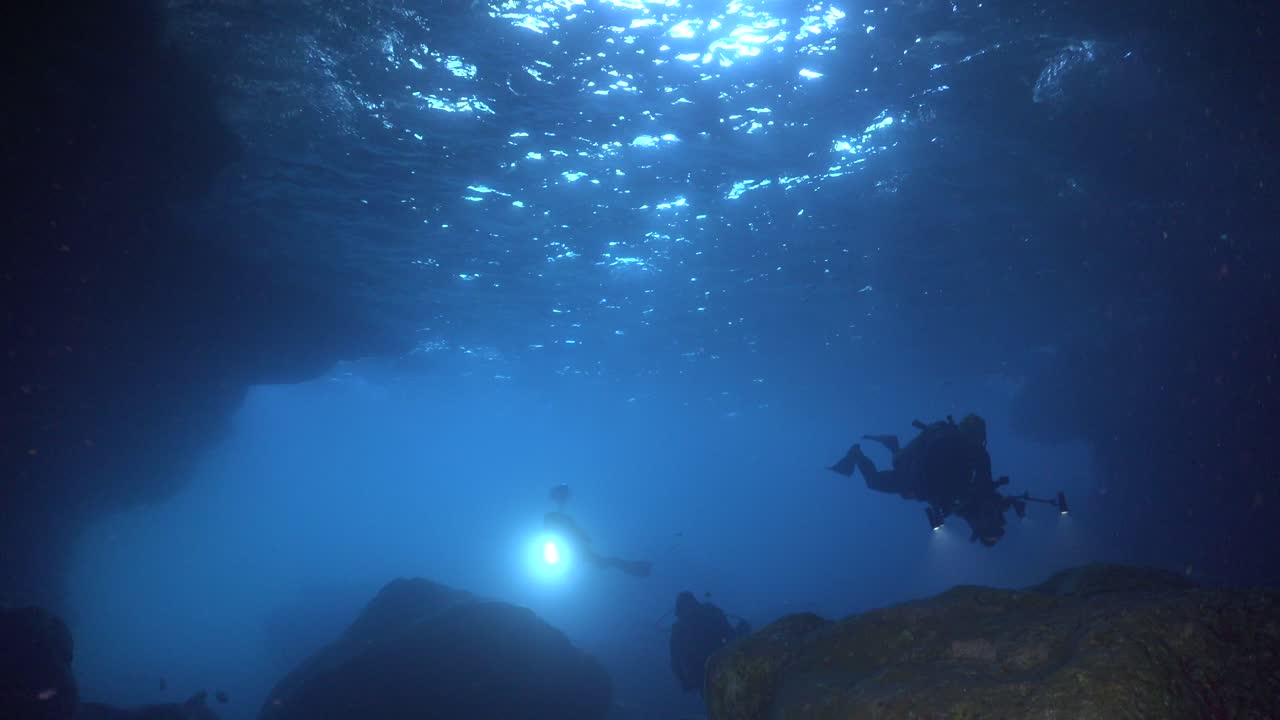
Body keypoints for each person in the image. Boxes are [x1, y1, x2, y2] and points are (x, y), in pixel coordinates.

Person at [829, 414, 1011, 545]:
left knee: (895, 467)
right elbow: (929, 472)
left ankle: (887, 447)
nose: (976, 440)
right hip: (916, 479)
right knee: (876, 479)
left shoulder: (976, 452)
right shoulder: (958, 447)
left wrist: (992, 500)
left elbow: (983, 484)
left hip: (924, 483)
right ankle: (859, 453)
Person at [543, 485, 652, 577]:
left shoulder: (556, 517)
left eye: (562, 497)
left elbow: (573, 532)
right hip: (573, 548)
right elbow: (570, 532)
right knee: (601, 563)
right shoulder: (555, 517)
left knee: (601, 563)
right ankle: (635, 568)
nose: (563, 501)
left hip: (575, 548)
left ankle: (636, 568)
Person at [669, 592, 743, 694]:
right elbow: (730, 635)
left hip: (708, 677)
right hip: (722, 669)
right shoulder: (709, 612)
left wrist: (686, 681)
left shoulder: (678, 630)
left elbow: (675, 664)